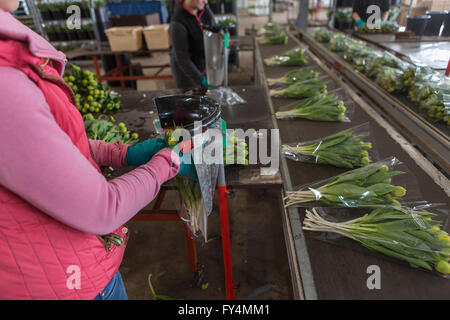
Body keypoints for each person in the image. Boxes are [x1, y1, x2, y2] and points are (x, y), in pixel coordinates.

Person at [0, 0, 195, 300]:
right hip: (66, 284)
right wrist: (167, 162)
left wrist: (120, 154)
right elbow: (102, 209)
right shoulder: (5, 81)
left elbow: (47, 148)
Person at [169, 0, 216, 89]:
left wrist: (221, 40)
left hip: (203, 65)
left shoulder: (205, 10)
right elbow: (182, 58)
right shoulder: (178, 23)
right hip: (187, 73)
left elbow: (214, 29)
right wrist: (201, 80)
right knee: (191, 99)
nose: (205, 1)